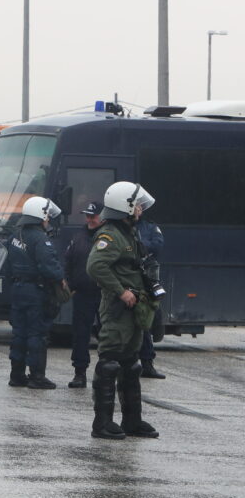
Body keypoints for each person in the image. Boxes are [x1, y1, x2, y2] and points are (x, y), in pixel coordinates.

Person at [86, 182, 161, 440]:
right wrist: (121, 291)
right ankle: (102, 423)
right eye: (137, 204)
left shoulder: (129, 232)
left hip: (134, 308)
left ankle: (132, 420)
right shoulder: (111, 235)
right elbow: (95, 267)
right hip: (119, 308)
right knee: (109, 362)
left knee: (131, 364)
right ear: (125, 206)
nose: (140, 208)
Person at [6, 196, 65, 390]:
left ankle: (16, 374)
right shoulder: (41, 239)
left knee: (19, 333)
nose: (48, 220)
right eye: (47, 216)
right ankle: (37, 376)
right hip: (36, 291)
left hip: (18, 289)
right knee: (37, 334)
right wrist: (61, 279)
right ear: (40, 216)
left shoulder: (15, 235)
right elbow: (49, 266)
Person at [63, 202, 104, 388]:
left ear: (102, 217)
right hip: (83, 294)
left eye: (93, 216)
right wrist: (70, 285)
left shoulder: (108, 237)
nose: (89, 219)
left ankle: (107, 372)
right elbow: (69, 262)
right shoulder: (78, 237)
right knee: (80, 334)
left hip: (105, 294)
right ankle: (79, 373)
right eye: (87, 215)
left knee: (108, 335)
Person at [135, 217, 166, 379]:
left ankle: (147, 363)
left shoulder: (150, 227)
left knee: (146, 321)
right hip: (128, 280)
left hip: (146, 279)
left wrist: (142, 245)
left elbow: (158, 245)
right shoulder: (119, 226)